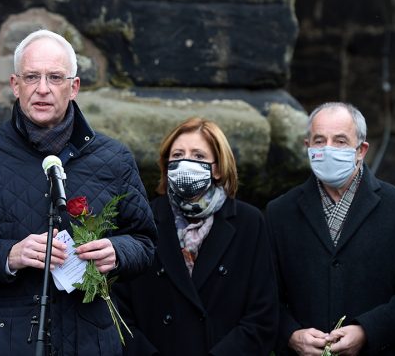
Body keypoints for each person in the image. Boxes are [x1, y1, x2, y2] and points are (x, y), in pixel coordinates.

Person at [0, 29, 157, 356]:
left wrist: (117, 251)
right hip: (2, 342)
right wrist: (9, 255)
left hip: (88, 341)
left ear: (74, 87)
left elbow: (145, 243)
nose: (43, 89)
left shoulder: (114, 158)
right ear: (15, 85)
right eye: (32, 77)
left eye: (55, 77)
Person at [266, 102, 395, 356]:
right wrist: (290, 335)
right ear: (307, 147)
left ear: (360, 150)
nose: (327, 149)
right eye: (319, 140)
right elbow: (262, 294)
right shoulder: (280, 212)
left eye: (340, 141)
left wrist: (367, 331)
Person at [114, 117, 278, 355]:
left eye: (199, 156)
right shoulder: (142, 219)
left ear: (219, 168)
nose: (186, 163)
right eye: (178, 155)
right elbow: (119, 311)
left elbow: (262, 315)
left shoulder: (249, 223)